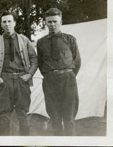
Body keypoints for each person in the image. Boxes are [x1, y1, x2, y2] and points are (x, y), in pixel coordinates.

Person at [0, 11, 38, 136]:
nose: (7, 24)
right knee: (3, 115)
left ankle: (24, 143)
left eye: (9, 21)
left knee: (22, 114)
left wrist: (29, 74)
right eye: (4, 22)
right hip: (4, 81)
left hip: (21, 79)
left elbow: (34, 59)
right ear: (1, 24)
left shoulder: (24, 40)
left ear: (14, 23)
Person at [37, 8, 81, 136]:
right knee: (55, 118)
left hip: (68, 80)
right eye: (49, 22)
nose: (52, 24)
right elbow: (41, 63)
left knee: (69, 118)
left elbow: (77, 61)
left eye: (55, 21)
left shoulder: (70, 39)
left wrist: (68, 75)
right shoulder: (41, 42)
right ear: (46, 23)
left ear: (61, 21)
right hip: (50, 82)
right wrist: (51, 75)